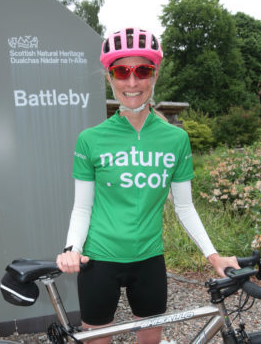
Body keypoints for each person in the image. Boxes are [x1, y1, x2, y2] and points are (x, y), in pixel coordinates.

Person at [56, 27, 240, 344]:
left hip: (149, 260)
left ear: (153, 75)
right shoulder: (91, 139)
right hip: (99, 260)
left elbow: (184, 206)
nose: (132, 82)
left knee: (151, 341)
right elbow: (82, 207)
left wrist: (214, 256)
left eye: (142, 70)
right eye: (121, 71)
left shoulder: (175, 139)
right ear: (109, 76)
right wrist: (73, 248)